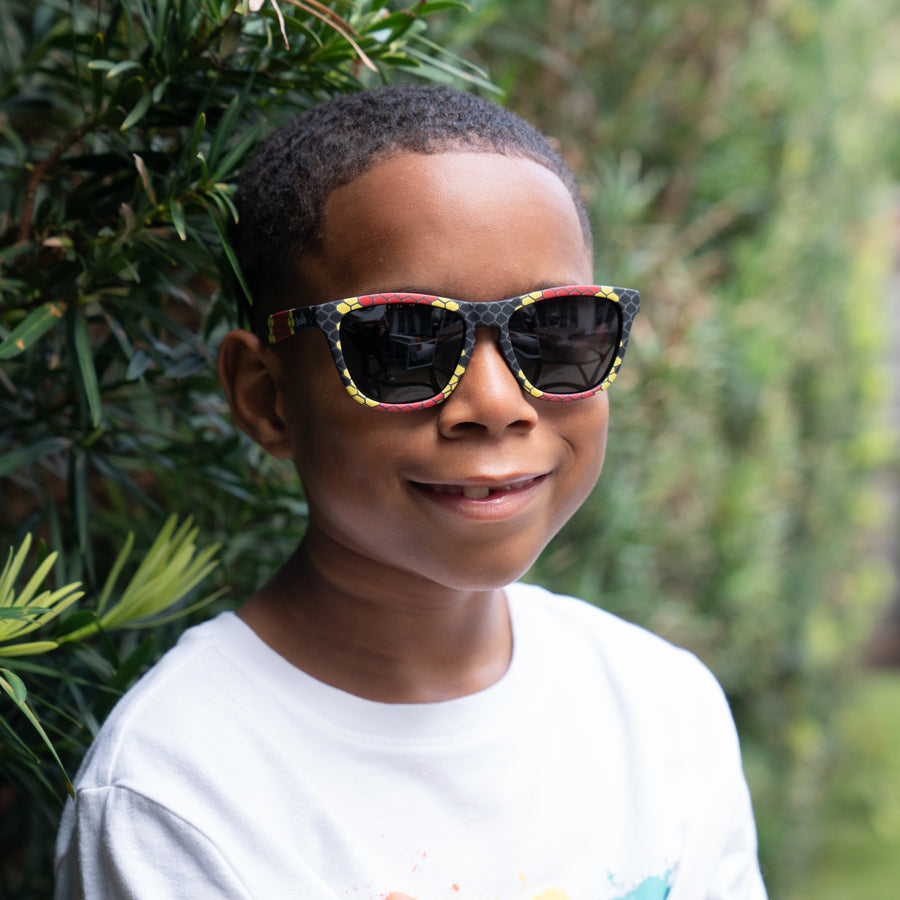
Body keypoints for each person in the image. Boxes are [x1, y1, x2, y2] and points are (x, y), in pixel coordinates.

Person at [54, 84, 767, 900]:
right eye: (405, 342)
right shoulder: (179, 797)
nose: (497, 404)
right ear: (266, 396)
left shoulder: (663, 709)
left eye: (559, 332)